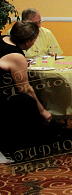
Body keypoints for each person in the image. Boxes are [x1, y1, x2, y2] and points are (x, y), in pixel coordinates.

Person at [0, 21, 53, 160]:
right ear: (28, 41)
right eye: (34, 39)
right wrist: (43, 111)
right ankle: (26, 149)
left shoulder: (3, 39)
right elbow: (25, 89)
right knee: (29, 102)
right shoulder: (17, 56)